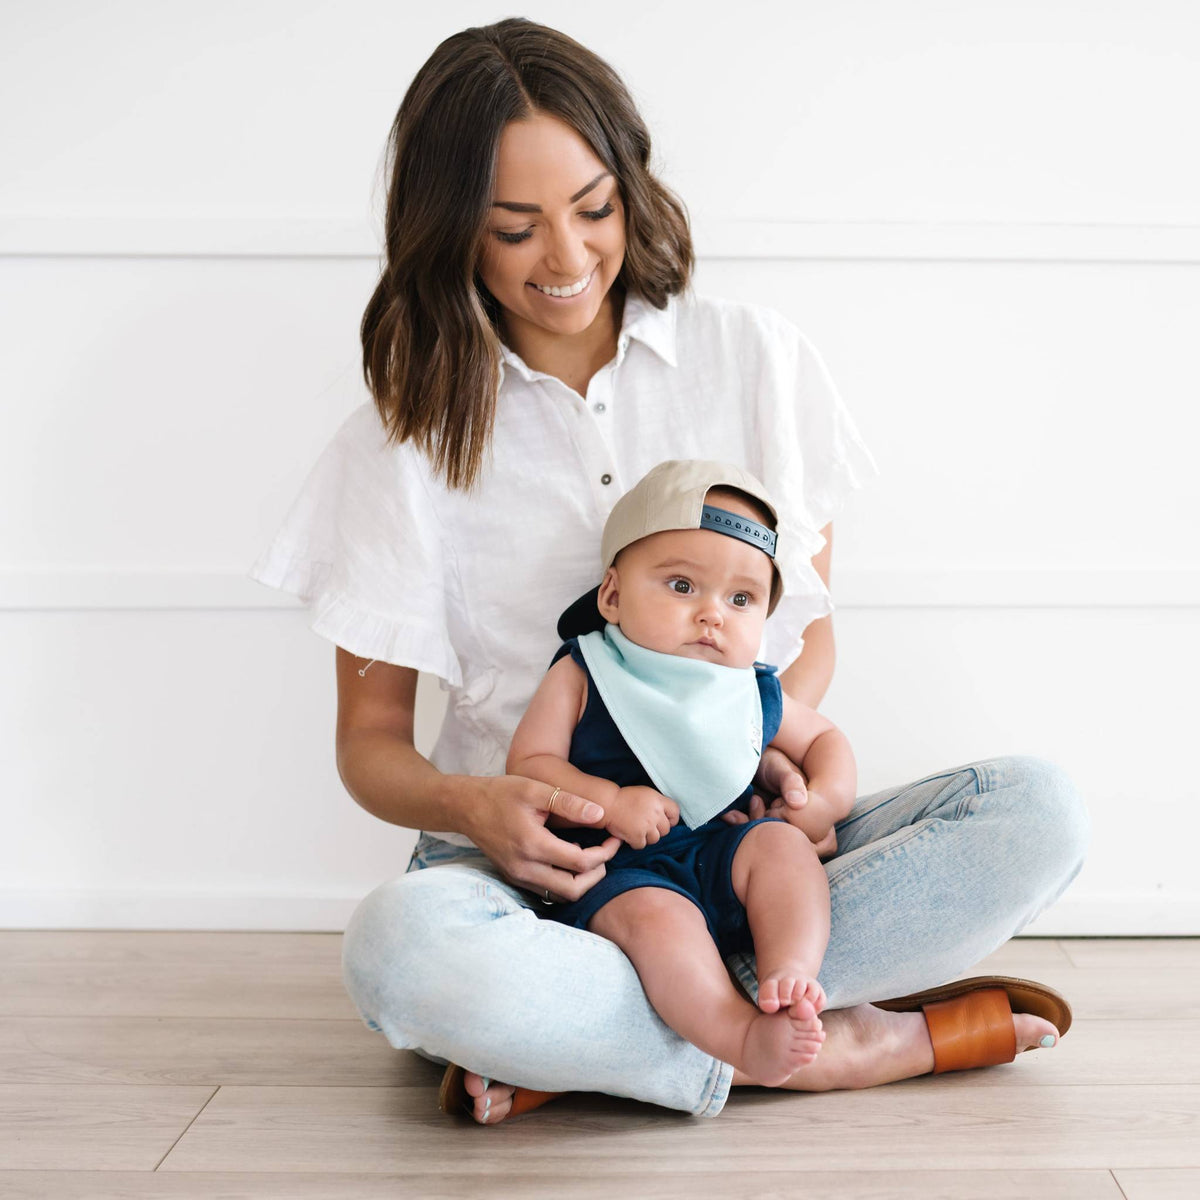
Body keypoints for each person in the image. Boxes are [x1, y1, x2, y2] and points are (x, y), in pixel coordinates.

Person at [249, 17, 1088, 1124]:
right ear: (450, 231)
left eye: (594, 209)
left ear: (631, 189)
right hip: (532, 875)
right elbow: (369, 749)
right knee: (400, 958)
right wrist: (480, 806)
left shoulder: (758, 359)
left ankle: (595, 1041)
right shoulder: (399, 440)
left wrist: (789, 770)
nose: (567, 259)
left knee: (1037, 814)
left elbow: (807, 633)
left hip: (742, 845)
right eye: (514, 228)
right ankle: (827, 1046)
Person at [509, 459, 858, 1087]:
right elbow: (529, 768)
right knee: (658, 921)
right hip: (623, 872)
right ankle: (738, 1034)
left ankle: (791, 974)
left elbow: (827, 739)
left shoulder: (746, 690)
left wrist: (822, 805)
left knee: (780, 847)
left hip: (723, 853)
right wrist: (608, 801)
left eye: (742, 599)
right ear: (612, 595)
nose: (713, 614)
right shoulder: (587, 670)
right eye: (681, 586)